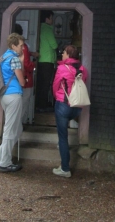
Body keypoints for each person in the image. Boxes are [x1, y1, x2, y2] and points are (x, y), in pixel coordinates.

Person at [0, 33, 26, 173]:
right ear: (14, 45)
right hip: (14, 96)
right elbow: (22, 81)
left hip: (4, 96)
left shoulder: (4, 57)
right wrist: (21, 63)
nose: (22, 48)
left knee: (17, 129)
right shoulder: (15, 59)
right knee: (11, 130)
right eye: (21, 45)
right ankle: (5, 163)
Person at [52, 45, 88, 178]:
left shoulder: (62, 68)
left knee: (63, 137)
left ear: (68, 55)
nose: (62, 54)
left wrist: (57, 97)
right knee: (64, 136)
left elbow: (55, 85)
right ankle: (62, 149)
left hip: (63, 105)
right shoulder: (82, 69)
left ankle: (65, 169)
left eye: (64, 53)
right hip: (77, 107)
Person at [14, 23, 39, 124]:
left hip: (13, 81)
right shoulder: (23, 47)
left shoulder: (10, 47)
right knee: (24, 103)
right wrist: (35, 64)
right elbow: (27, 64)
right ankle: (20, 126)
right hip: (25, 79)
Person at [36, 10, 58, 110]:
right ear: (47, 19)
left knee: (40, 83)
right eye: (51, 18)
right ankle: (42, 106)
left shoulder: (39, 28)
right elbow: (54, 45)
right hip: (48, 60)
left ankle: (38, 104)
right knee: (46, 84)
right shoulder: (47, 29)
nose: (52, 20)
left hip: (40, 60)